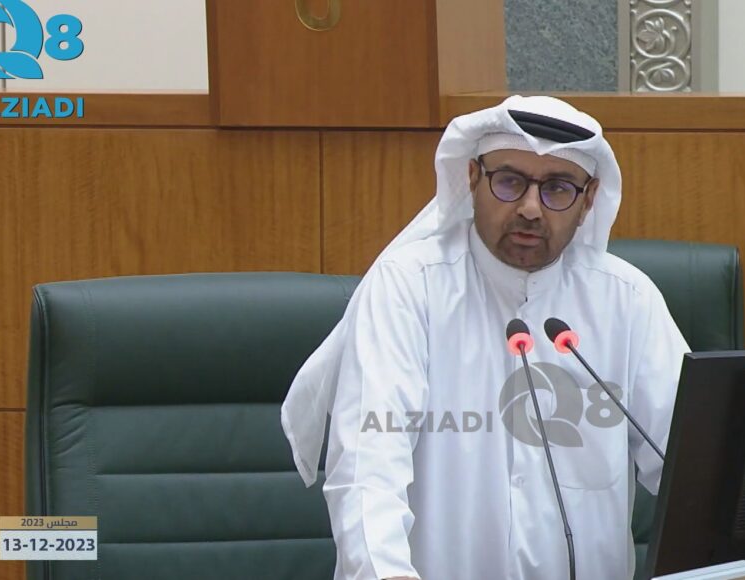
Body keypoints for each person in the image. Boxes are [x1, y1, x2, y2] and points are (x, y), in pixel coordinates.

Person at [281, 95, 690, 580]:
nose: (531, 209)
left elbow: (691, 468)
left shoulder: (627, 300)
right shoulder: (410, 287)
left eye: (558, 188)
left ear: (588, 200)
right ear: (473, 178)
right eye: (510, 182)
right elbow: (368, 469)